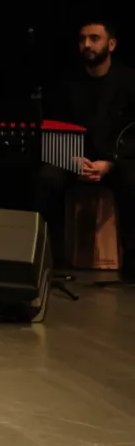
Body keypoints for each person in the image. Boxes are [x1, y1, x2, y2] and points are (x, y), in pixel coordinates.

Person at [36, 20, 135, 277]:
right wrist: (72, 160)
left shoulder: (129, 82)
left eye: (94, 38)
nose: (87, 45)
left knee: (132, 178)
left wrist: (110, 162)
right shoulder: (65, 84)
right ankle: (52, 259)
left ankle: (132, 261)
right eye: (82, 39)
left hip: (114, 159)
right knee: (47, 178)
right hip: (75, 158)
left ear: (111, 44)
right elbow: (51, 128)